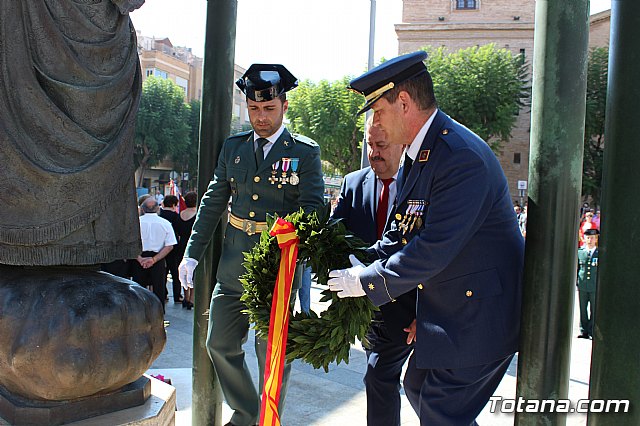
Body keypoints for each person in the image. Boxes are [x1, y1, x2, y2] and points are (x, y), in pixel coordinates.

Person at [328, 51, 524, 425]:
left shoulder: (459, 157)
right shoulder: (421, 158)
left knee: (440, 408)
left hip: (480, 316)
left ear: (403, 102)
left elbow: (433, 248)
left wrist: (368, 280)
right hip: (453, 310)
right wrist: (354, 261)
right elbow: (399, 234)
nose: (377, 125)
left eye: (378, 112)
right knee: (418, 387)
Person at [178, 64, 324, 426]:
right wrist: (191, 254)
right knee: (219, 344)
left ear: (284, 107)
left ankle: (267, 420)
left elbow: (314, 208)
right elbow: (214, 201)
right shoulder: (235, 147)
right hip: (232, 269)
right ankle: (246, 414)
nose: (261, 117)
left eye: (269, 109)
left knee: (272, 356)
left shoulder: (304, 152)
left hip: (276, 271)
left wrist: (292, 236)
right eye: (254, 109)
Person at [331, 119, 412, 426]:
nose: (374, 153)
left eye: (382, 146)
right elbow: (335, 236)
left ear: (402, 144)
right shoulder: (352, 183)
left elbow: (433, 250)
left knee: (427, 389)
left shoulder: (420, 183)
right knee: (379, 379)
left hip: (414, 306)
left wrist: (428, 311)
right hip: (370, 308)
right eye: (369, 145)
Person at [131, 197, 177, 312]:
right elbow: (170, 245)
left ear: (142, 209)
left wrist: (140, 259)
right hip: (158, 258)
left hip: (139, 259)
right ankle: (159, 313)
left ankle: (138, 312)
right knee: (159, 289)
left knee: (138, 289)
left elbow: (129, 244)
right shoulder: (165, 223)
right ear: (158, 208)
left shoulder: (135, 224)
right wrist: (154, 260)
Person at [175, 191, 198, 309]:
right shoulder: (197, 215)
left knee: (183, 270)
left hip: (181, 244)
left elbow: (177, 230)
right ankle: (191, 298)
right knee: (193, 272)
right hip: (192, 244)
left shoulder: (181, 214)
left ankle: (185, 296)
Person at [159, 195, 182, 304]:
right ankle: (177, 295)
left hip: (160, 246)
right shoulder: (176, 217)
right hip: (174, 247)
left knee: (163, 272)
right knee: (175, 273)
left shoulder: (160, 215)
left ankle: (164, 293)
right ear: (173, 205)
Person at [576, 228, 599, 339]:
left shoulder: (598, 253)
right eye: (588, 238)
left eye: (592, 238)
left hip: (594, 285)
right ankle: (583, 330)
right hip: (583, 284)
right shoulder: (580, 252)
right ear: (584, 239)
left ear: (596, 239)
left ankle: (591, 330)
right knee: (582, 308)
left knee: (594, 309)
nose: (590, 240)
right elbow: (578, 268)